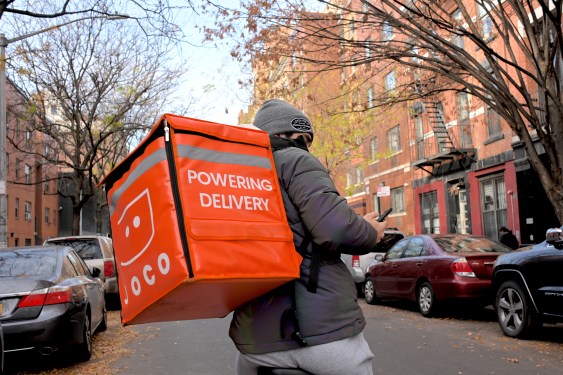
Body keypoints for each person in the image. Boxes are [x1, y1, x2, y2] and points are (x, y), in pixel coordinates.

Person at [229, 99, 387, 375]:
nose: (306, 146)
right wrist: (371, 231)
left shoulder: (237, 175)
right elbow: (336, 229)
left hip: (254, 342)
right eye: (302, 138)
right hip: (317, 332)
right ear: (288, 135)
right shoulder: (295, 159)